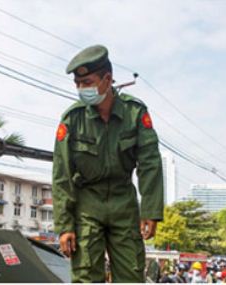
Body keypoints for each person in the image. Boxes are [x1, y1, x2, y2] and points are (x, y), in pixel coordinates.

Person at [52, 44, 164, 282]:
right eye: (78, 84)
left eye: (88, 82)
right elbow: (62, 175)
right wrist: (65, 226)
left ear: (108, 79)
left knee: (132, 274)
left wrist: (151, 211)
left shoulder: (135, 113)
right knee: (85, 275)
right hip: (86, 206)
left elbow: (150, 162)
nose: (82, 89)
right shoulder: (73, 119)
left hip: (124, 204)